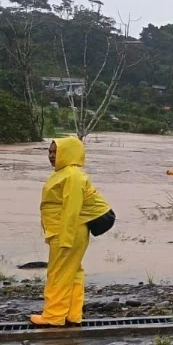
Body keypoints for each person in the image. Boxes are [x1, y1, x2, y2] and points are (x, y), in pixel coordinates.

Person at [31, 137, 112, 327]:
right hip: (64, 231)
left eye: (55, 152)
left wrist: (65, 239)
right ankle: (72, 314)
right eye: (49, 152)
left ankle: (53, 316)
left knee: (58, 274)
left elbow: (71, 208)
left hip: (67, 232)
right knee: (73, 272)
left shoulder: (72, 176)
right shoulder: (64, 173)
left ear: (68, 152)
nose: (51, 156)